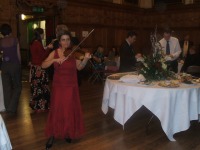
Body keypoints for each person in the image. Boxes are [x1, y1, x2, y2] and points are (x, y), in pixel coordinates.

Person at [42, 31, 91, 149]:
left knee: (69, 109)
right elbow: (43, 65)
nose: (66, 42)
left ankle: (67, 132)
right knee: (57, 109)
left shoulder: (74, 53)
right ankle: (53, 134)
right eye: (63, 40)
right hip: (59, 86)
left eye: (68, 40)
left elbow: (79, 68)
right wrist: (54, 60)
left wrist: (85, 59)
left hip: (71, 85)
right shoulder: (55, 52)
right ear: (59, 42)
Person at [29, 28, 53, 112]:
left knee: (36, 87)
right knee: (42, 87)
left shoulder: (33, 42)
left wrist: (46, 47)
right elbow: (42, 56)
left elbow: (37, 53)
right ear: (40, 34)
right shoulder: (38, 43)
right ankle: (42, 106)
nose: (44, 35)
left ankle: (36, 106)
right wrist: (49, 48)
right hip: (39, 68)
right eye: (43, 34)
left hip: (34, 68)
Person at [0, 23, 22, 114]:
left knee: (6, 87)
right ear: (10, 31)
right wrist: (20, 64)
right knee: (18, 86)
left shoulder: (0, 41)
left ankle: (8, 106)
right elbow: (18, 54)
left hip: (4, 66)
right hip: (14, 65)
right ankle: (11, 107)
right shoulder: (15, 40)